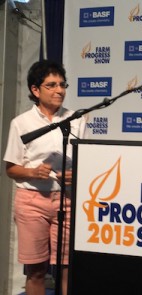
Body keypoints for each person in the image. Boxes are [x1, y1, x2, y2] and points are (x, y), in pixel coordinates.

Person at [3, 60, 87, 295]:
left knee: (68, 269)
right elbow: (11, 168)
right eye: (51, 85)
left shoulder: (77, 119)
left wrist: (77, 174)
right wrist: (32, 171)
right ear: (35, 90)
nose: (59, 90)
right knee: (37, 271)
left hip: (68, 201)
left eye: (62, 84)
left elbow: (87, 162)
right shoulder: (21, 123)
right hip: (32, 202)